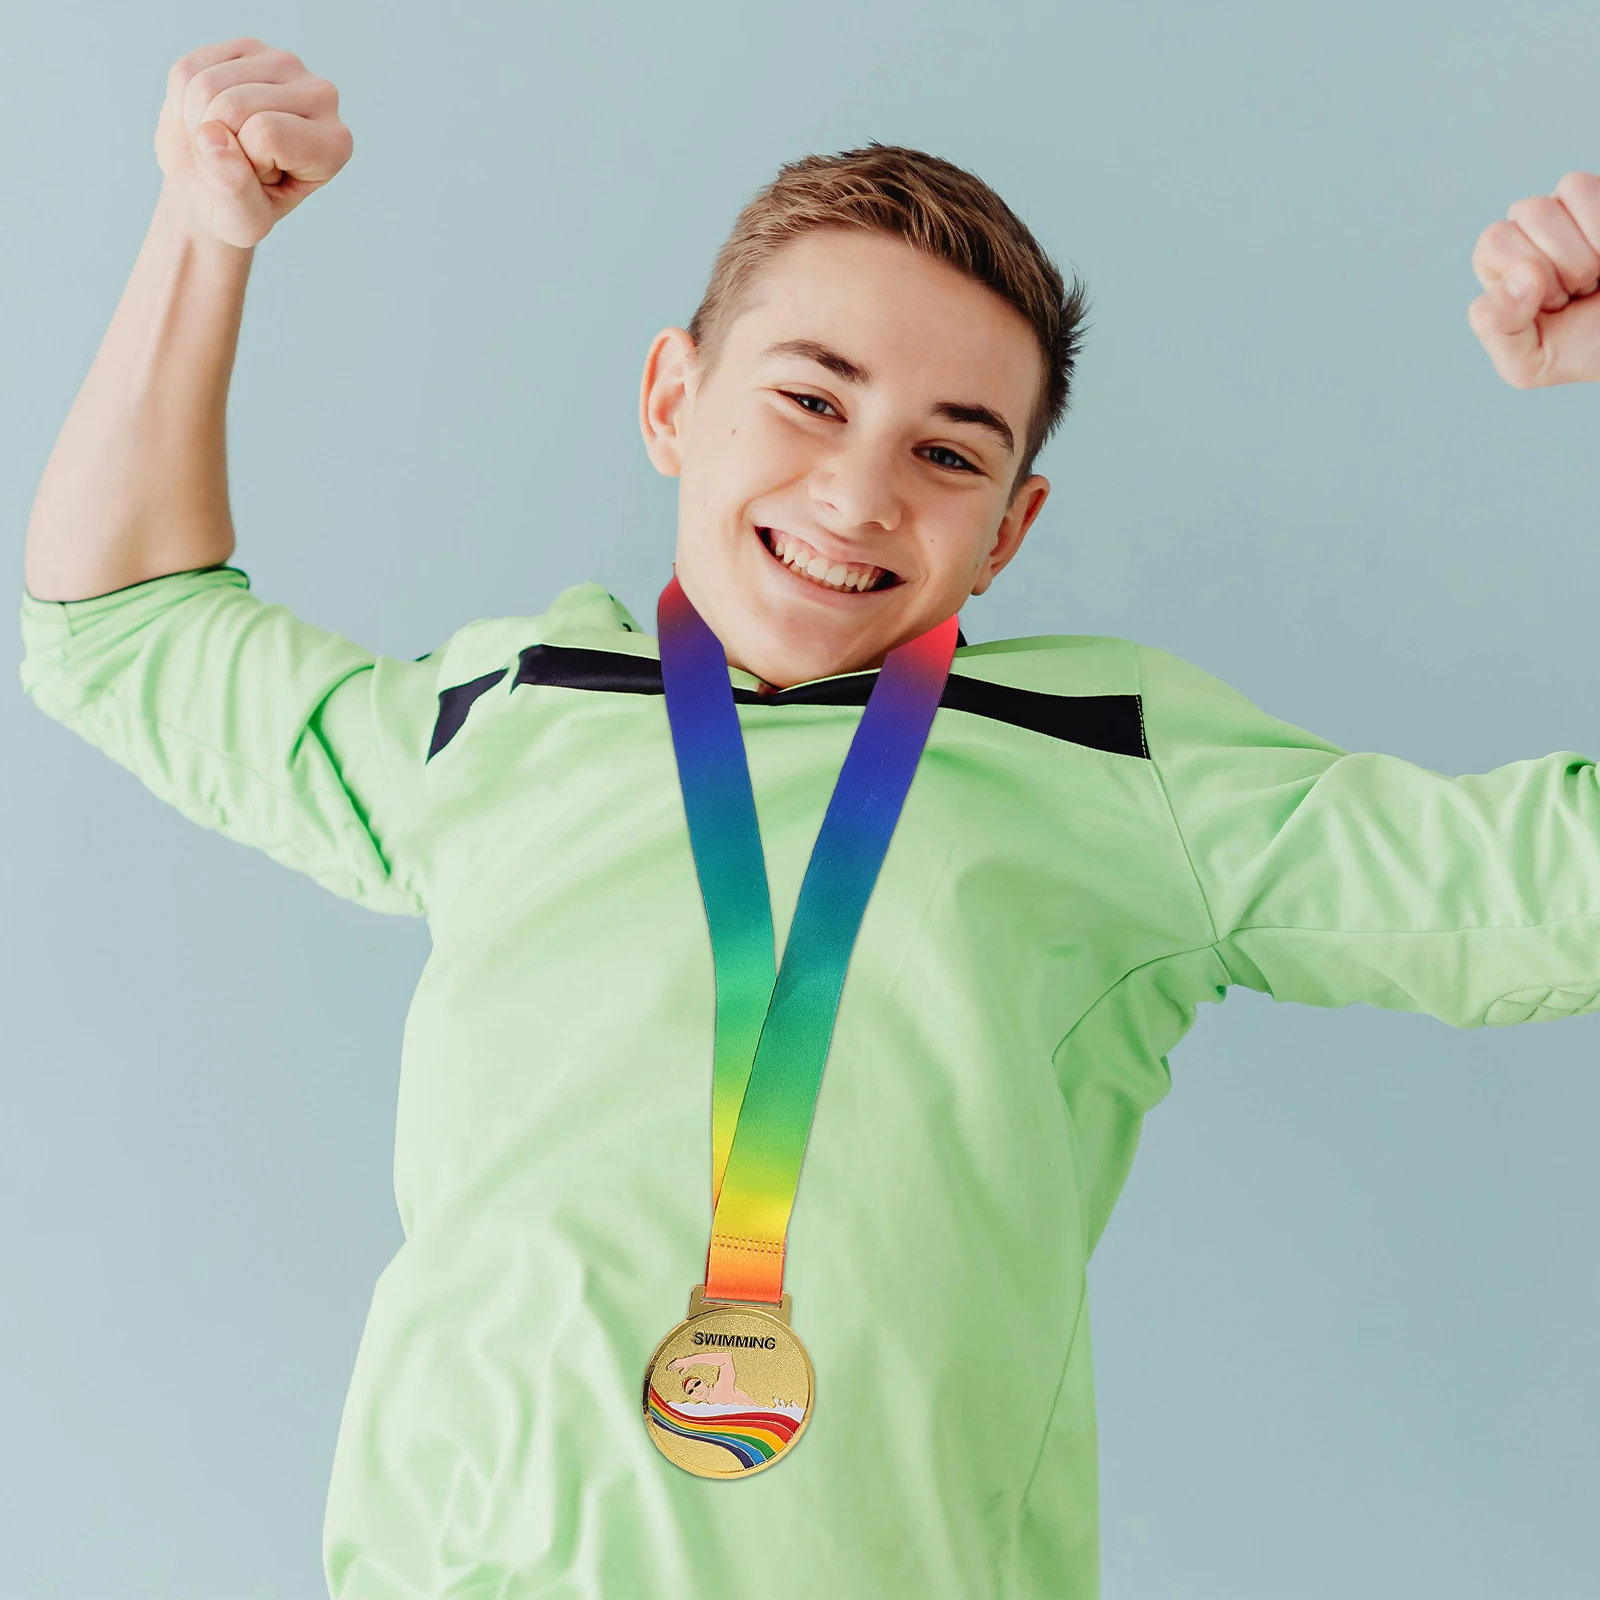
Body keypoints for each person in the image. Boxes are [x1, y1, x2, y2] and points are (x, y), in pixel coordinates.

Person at [18, 33, 1600, 1600]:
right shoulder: (510, 712)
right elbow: (122, 627)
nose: (857, 495)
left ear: (1008, 531)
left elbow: (1559, 891)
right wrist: (200, 234)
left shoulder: (1118, 757)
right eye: (809, 399)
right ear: (670, 398)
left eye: (948, 452)